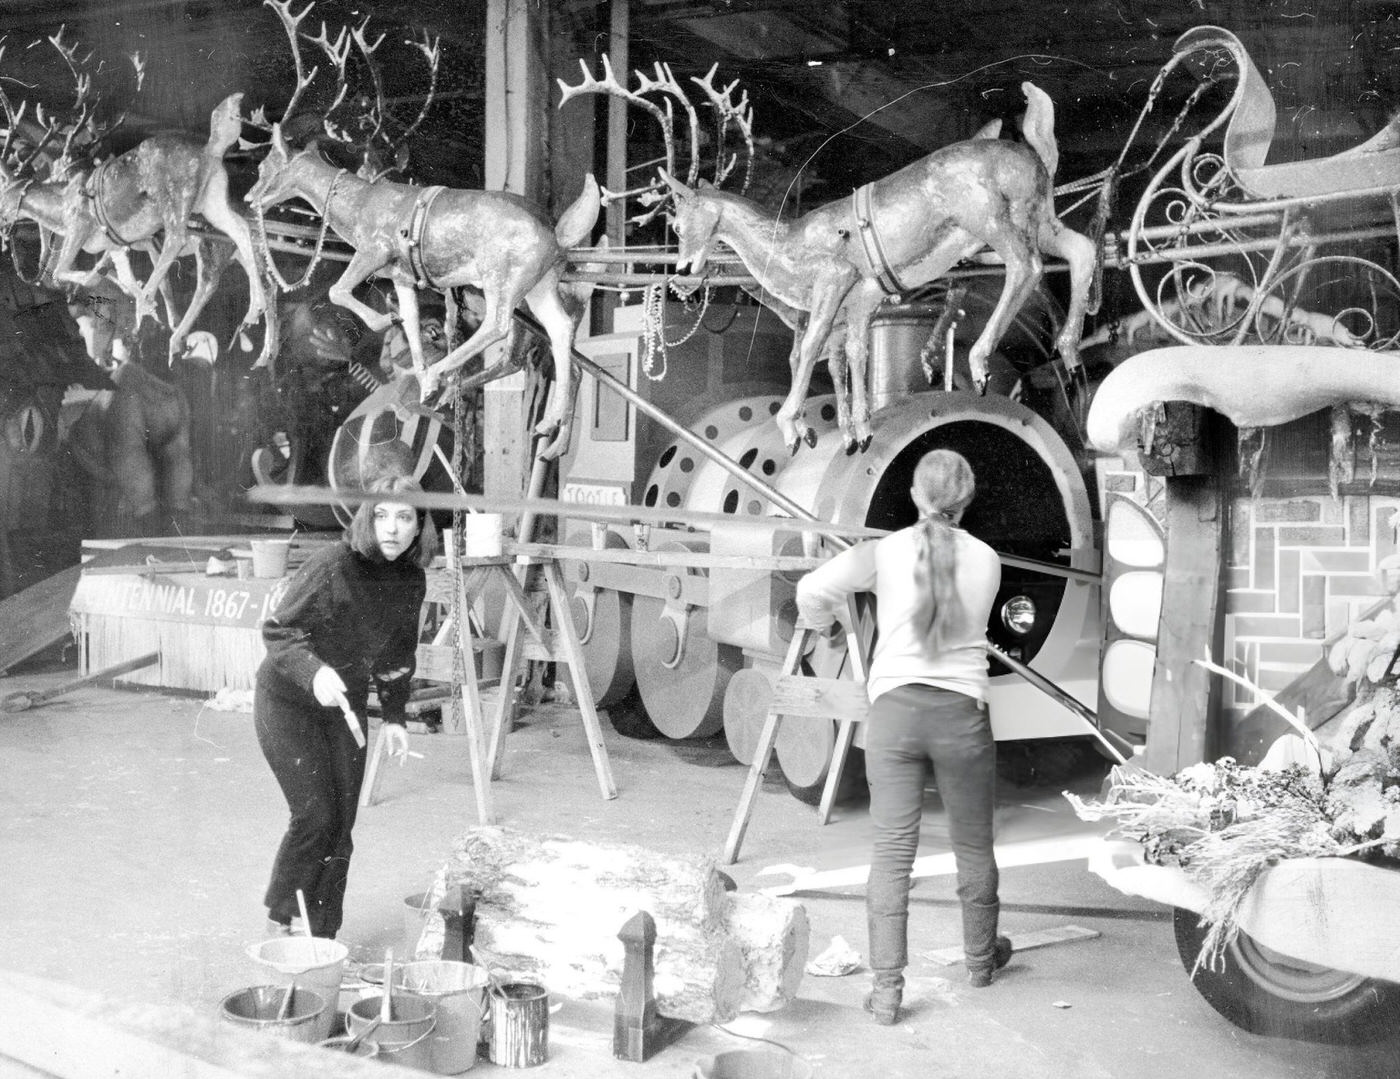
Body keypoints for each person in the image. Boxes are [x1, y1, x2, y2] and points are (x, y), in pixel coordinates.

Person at [795, 448, 1010, 1025]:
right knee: (973, 842)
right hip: (962, 717)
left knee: (892, 852)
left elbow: (811, 591)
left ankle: (888, 990)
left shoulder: (882, 553)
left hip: (893, 717)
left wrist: (832, 632)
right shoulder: (988, 559)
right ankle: (981, 959)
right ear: (968, 502)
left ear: (915, 496)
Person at [255, 474, 438, 938]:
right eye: (381, 515)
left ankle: (323, 937)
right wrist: (313, 672)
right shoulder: (333, 564)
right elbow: (278, 630)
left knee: (342, 828)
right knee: (315, 815)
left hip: (345, 706)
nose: (392, 528)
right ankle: (283, 916)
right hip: (288, 700)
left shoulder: (411, 580)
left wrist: (395, 718)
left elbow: (398, 655)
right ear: (366, 519)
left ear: (420, 526)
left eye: (404, 517)